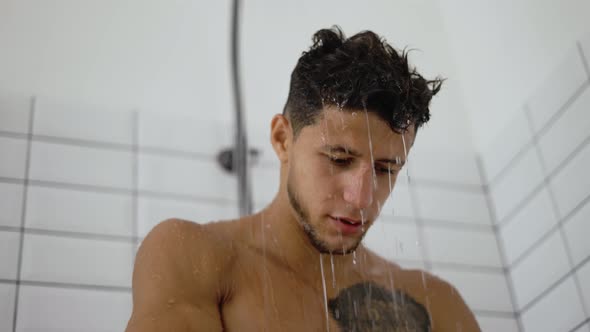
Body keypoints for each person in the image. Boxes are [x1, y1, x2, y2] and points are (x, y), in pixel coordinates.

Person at [125, 27, 481, 332]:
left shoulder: (436, 304)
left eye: (386, 169)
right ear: (283, 139)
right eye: (339, 160)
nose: (361, 199)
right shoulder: (198, 256)